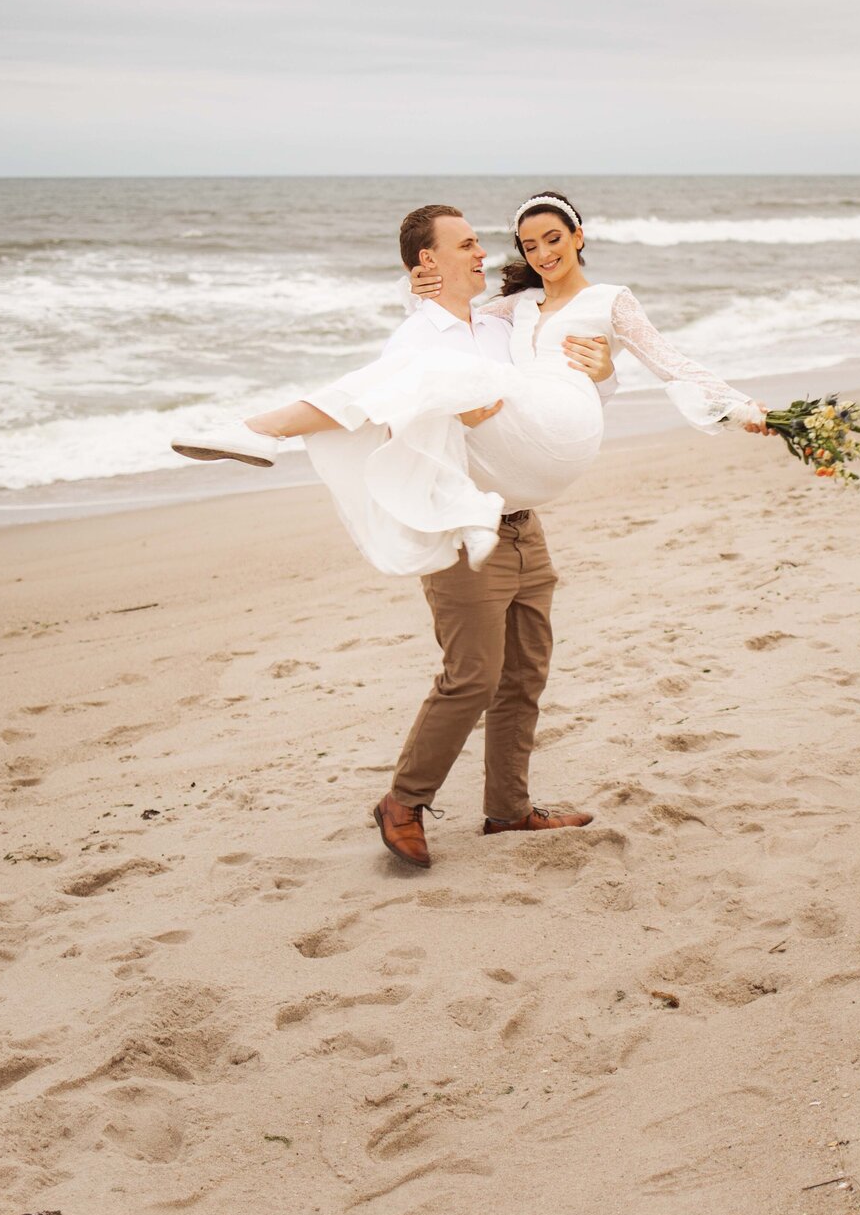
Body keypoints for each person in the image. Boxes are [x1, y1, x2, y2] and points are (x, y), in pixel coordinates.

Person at [171, 193, 774, 867]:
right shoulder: (420, 341)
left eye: (503, 244)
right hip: (463, 524)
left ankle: (508, 810)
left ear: (577, 236)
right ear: (429, 261)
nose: (491, 253)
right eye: (470, 245)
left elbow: (555, 389)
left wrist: (606, 376)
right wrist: (430, 334)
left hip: (521, 522)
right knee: (473, 676)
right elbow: (402, 387)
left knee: (524, 674)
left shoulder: (501, 323)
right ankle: (403, 801)